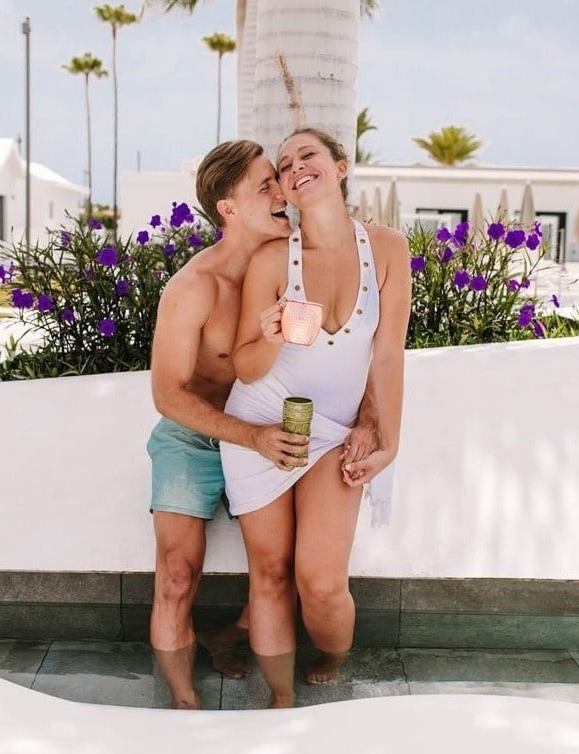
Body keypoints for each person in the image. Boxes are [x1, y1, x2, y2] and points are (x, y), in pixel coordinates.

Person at [221, 127, 412, 708]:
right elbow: (247, 367)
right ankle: (279, 697)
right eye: (284, 164)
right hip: (261, 426)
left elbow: (386, 354)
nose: (296, 166)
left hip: (334, 431)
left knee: (322, 585)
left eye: (309, 154)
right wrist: (270, 332)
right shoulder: (274, 259)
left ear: (341, 166)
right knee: (272, 575)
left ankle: (331, 653)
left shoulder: (386, 248)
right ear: (282, 187)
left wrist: (388, 439)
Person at [147, 139, 313, 710]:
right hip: (196, 435)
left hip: (263, 429)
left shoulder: (299, 262)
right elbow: (167, 394)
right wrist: (251, 438)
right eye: (264, 185)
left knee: (279, 570)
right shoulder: (194, 287)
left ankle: (240, 652)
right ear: (228, 208)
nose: (281, 192)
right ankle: (185, 709)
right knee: (175, 574)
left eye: (279, 181)